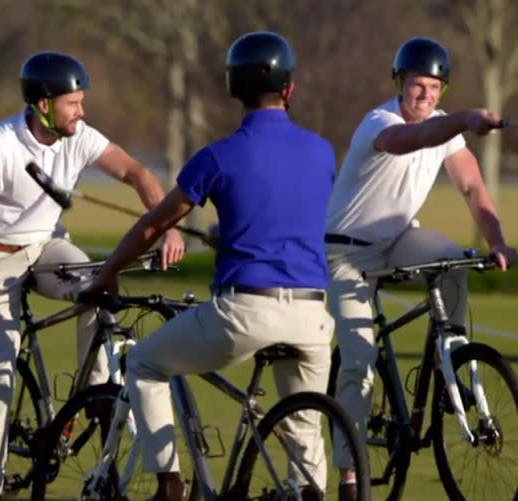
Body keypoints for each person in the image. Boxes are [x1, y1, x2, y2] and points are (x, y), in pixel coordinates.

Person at [86, 31, 339, 501]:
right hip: (313, 316)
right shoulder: (322, 152)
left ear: (233, 89)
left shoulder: (217, 157)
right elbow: (283, 214)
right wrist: (232, 234)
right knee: (304, 430)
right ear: (289, 89)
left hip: (245, 312)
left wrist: (109, 272)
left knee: (143, 363)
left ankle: (169, 483)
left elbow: (152, 227)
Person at [0, 51, 186, 499]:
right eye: (74, 103)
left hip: (49, 245)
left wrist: (165, 226)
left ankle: (95, 399)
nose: (82, 111)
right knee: (1, 364)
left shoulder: (79, 136)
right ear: (43, 104)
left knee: (100, 287)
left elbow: (135, 171)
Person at [324, 37, 518, 485]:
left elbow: (472, 188)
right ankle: (350, 476)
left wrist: (498, 241)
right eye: (418, 86)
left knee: (453, 260)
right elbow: (410, 140)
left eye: (435, 88)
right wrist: (465, 120)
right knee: (358, 361)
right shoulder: (380, 122)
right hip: (345, 252)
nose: (426, 95)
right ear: (399, 83)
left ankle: (448, 356)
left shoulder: (443, 127)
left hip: (395, 241)